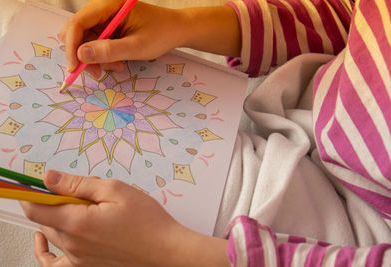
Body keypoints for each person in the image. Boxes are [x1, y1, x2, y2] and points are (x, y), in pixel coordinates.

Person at [20, 0, 391, 266]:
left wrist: (170, 253)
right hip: (307, 123)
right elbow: (352, 15)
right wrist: (189, 25)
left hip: (359, 230)